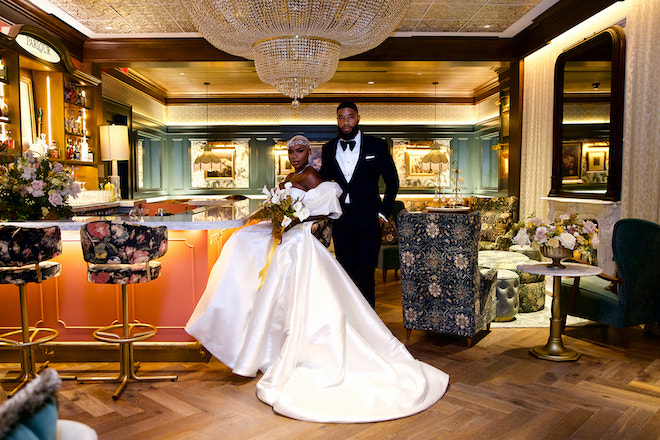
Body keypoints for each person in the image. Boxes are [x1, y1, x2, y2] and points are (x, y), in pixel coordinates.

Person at [185, 135, 448, 423]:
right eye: (290, 151)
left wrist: (302, 220)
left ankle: (303, 348)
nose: (294, 155)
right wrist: (277, 215)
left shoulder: (312, 175)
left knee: (303, 291)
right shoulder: (289, 175)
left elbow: (327, 205)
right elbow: (284, 206)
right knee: (243, 245)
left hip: (299, 242)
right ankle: (258, 342)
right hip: (286, 238)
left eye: (299, 150)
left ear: (309, 153)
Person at [320, 101, 399, 308]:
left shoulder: (377, 145)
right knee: (345, 274)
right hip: (342, 220)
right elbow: (323, 184)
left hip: (369, 221)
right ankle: (349, 324)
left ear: (358, 118)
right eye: (341, 117)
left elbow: (392, 182)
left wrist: (383, 214)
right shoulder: (328, 149)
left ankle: (369, 326)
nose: (346, 122)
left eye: (350, 116)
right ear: (337, 120)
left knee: (365, 275)